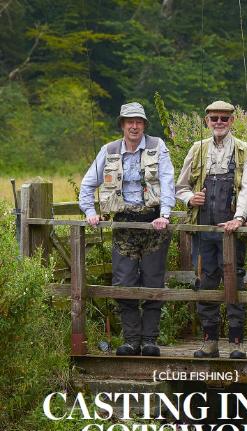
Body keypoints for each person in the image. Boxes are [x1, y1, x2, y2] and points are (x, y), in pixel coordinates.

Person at [79, 102, 175, 356]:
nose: (134, 126)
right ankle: (131, 340)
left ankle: (150, 341)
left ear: (144, 125)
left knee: (153, 281)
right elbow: (87, 185)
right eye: (129, 121)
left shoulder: (157, 146)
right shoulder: (108, 150)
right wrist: (90, 213)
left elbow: (167, 181)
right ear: (122, 124)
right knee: (124, 282)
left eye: (139, 122)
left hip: (154, 223)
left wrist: (165, 214)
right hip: (123, 224)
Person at [175, 100, 247, 359]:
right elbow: (180, 187)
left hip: (233, 229)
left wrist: (240, 217)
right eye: (214, 118)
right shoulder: (197, 149)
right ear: (206, 121)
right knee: (205, 282)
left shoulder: (246, 150)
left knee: (235, 282)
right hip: (203, 228)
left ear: (233, 120)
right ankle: (209, 341)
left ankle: (236, 342)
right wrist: (190, 198)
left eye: (224, 118)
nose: (219, 122)